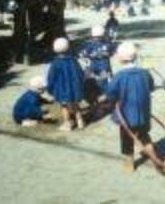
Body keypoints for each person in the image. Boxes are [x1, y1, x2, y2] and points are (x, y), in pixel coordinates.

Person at [98, 42, 159, 173]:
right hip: (143, 113)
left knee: (127, 139)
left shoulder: (119, 76)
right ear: (135, 56)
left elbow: (111, 93)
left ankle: (129, 164)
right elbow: (151, 86)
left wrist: (104, 98)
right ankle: (155, 158)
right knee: (144, 135)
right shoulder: (144, 73)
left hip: (126, 116)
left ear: (120, 58)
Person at [46, 37, 85, 131]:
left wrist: (50, 88)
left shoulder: (55, 63)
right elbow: (80, 73)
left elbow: (51, 78)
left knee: (64, 107)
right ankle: (80, 122)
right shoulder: (73, 60)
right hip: (75, 89)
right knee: (76, 105)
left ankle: (67, 124)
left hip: (62, 90)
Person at [79, 25, 114, 107]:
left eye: (99, 37)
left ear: (103, 35)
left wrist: (106, 53)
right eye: (95, 37)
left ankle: (104, 96)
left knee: (103, 81)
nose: (97, 39)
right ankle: (96, 95)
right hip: (93, 66)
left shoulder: (107, 43)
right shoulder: (89, 44)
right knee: (92, 80)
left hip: (104, 66)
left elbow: (111, 52)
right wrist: (86, 55)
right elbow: (82, 53)